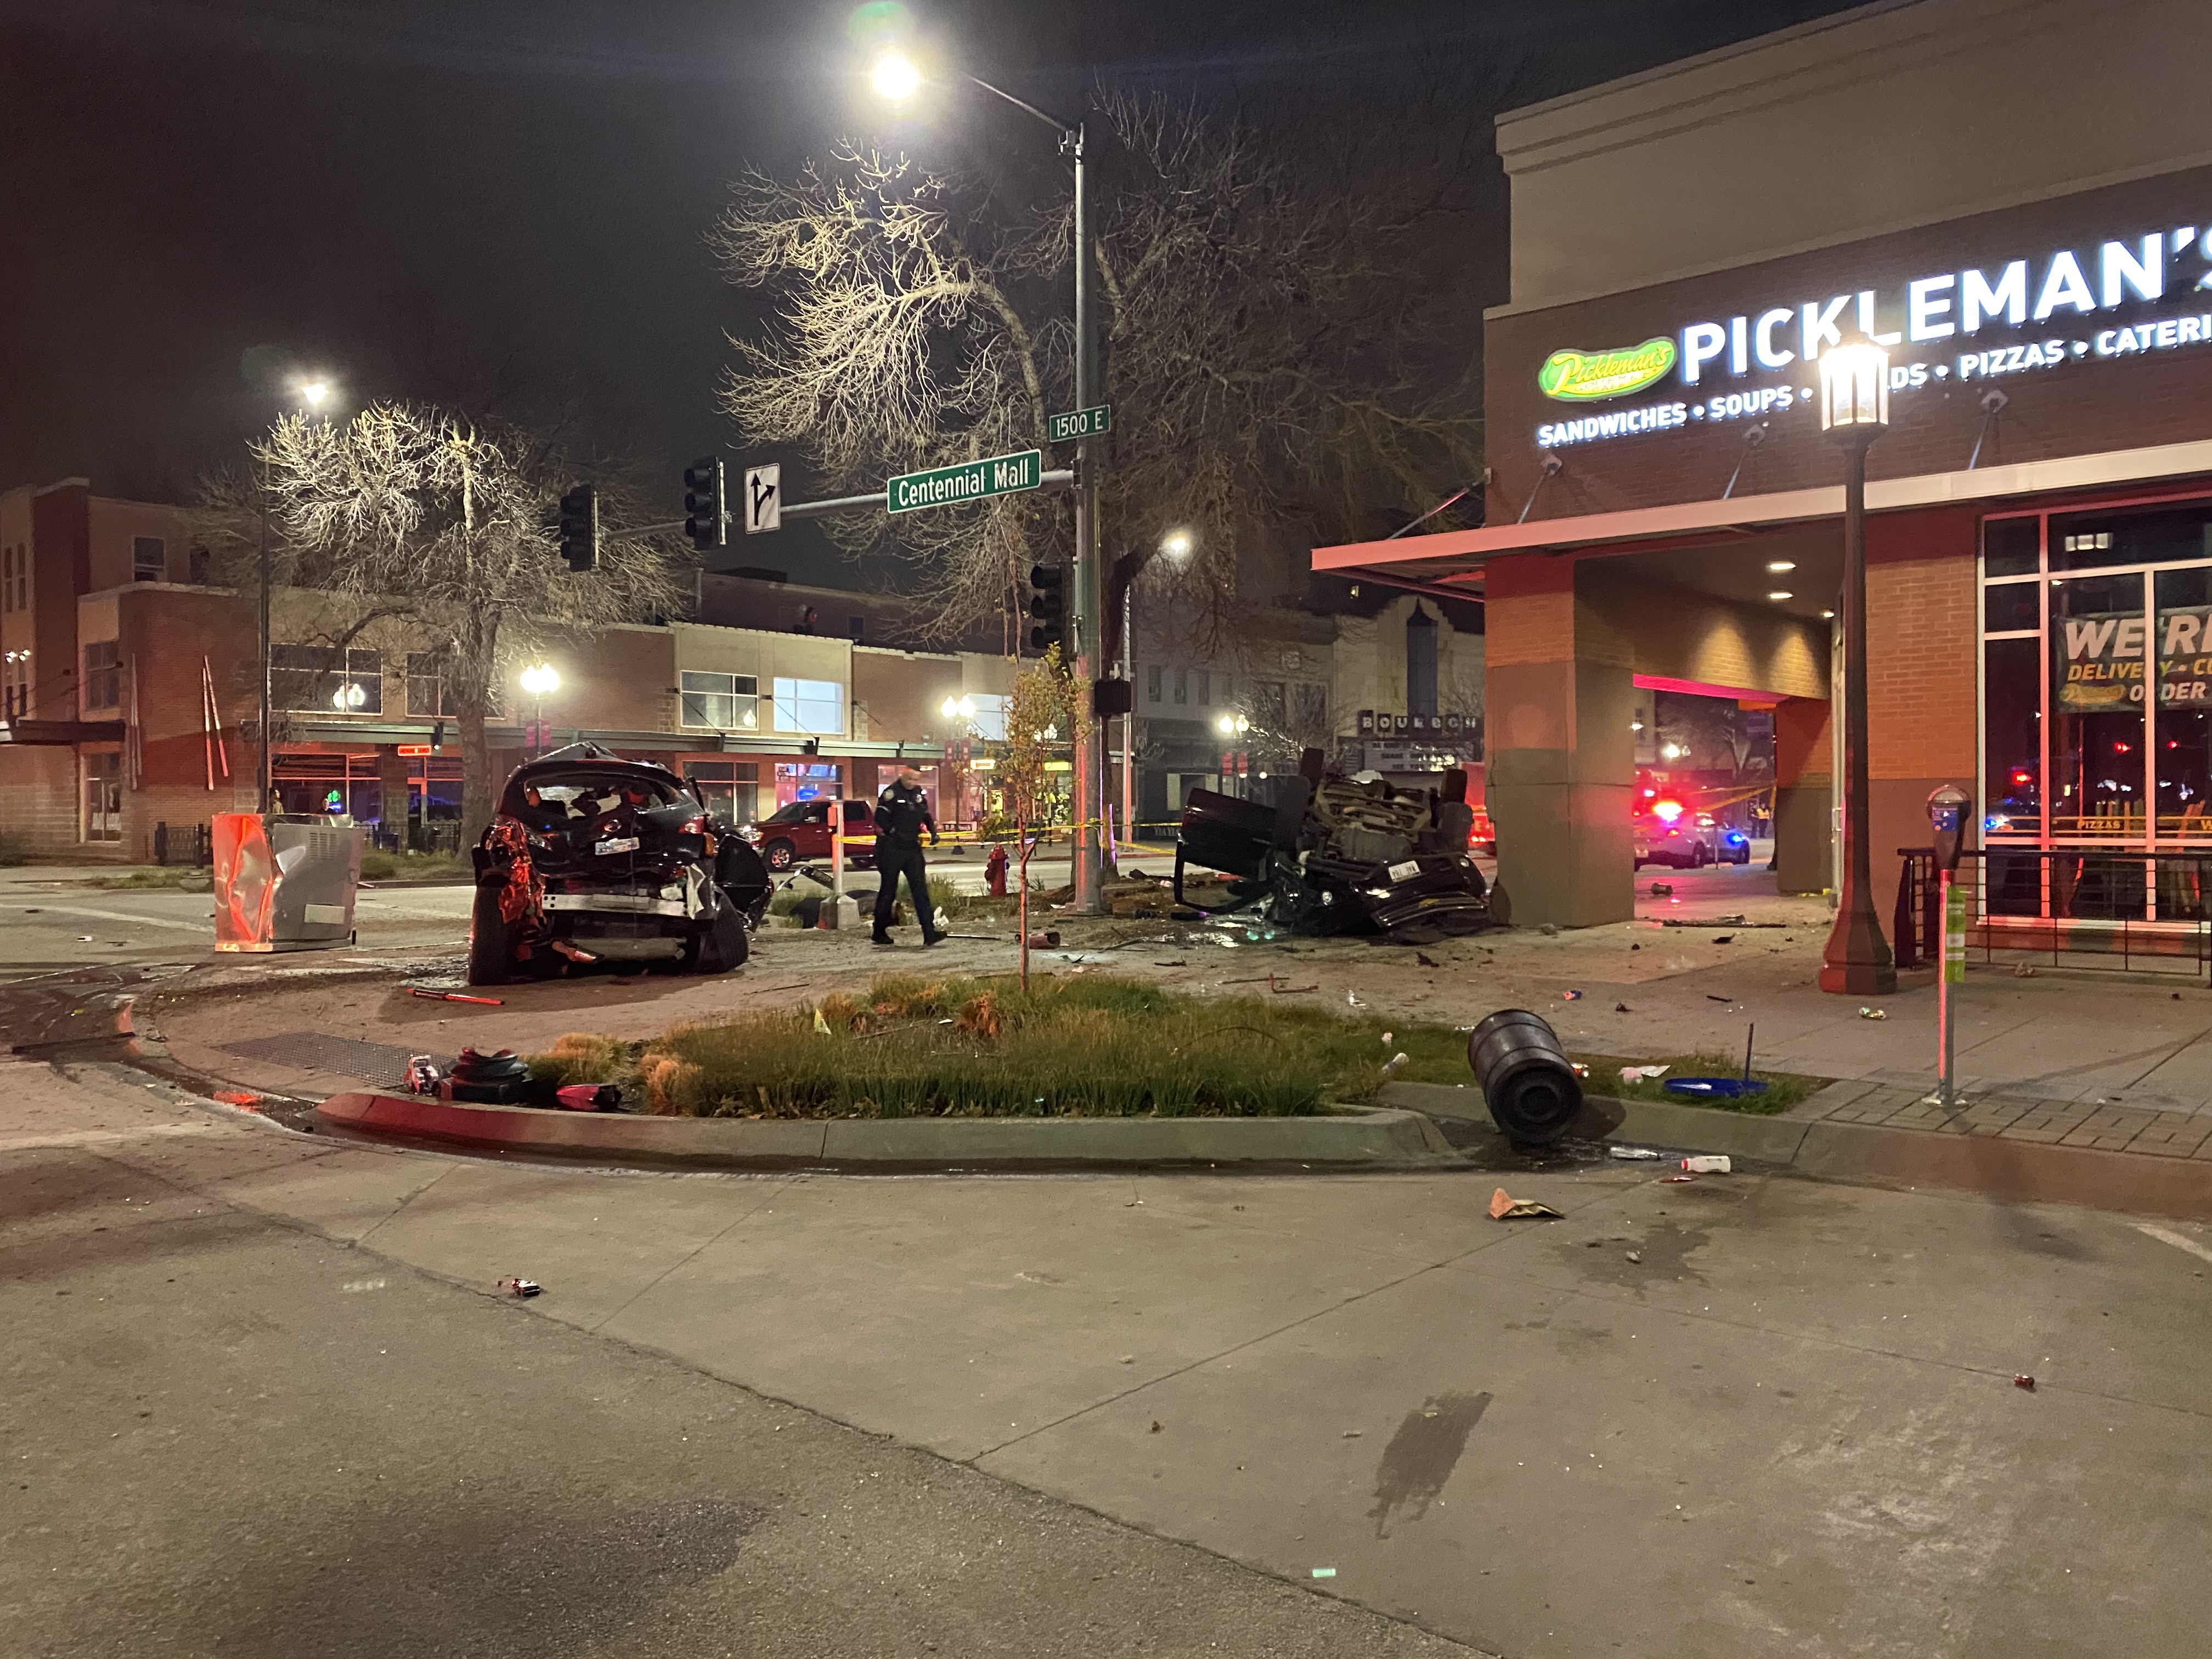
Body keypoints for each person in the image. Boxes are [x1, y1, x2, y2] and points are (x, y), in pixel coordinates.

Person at [872, 766, 942, 946]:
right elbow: (880, 817)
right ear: (903, 775)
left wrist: (933, 832)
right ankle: (879, 931)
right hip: (891, 848)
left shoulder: (917, 793)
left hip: (912, 848)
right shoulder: (891, 793)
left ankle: (929, 932)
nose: (912, 783)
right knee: (888, 890)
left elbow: (925, 815)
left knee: (920, 890)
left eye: (916, 779)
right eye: (910, 778)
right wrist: (894, 832)